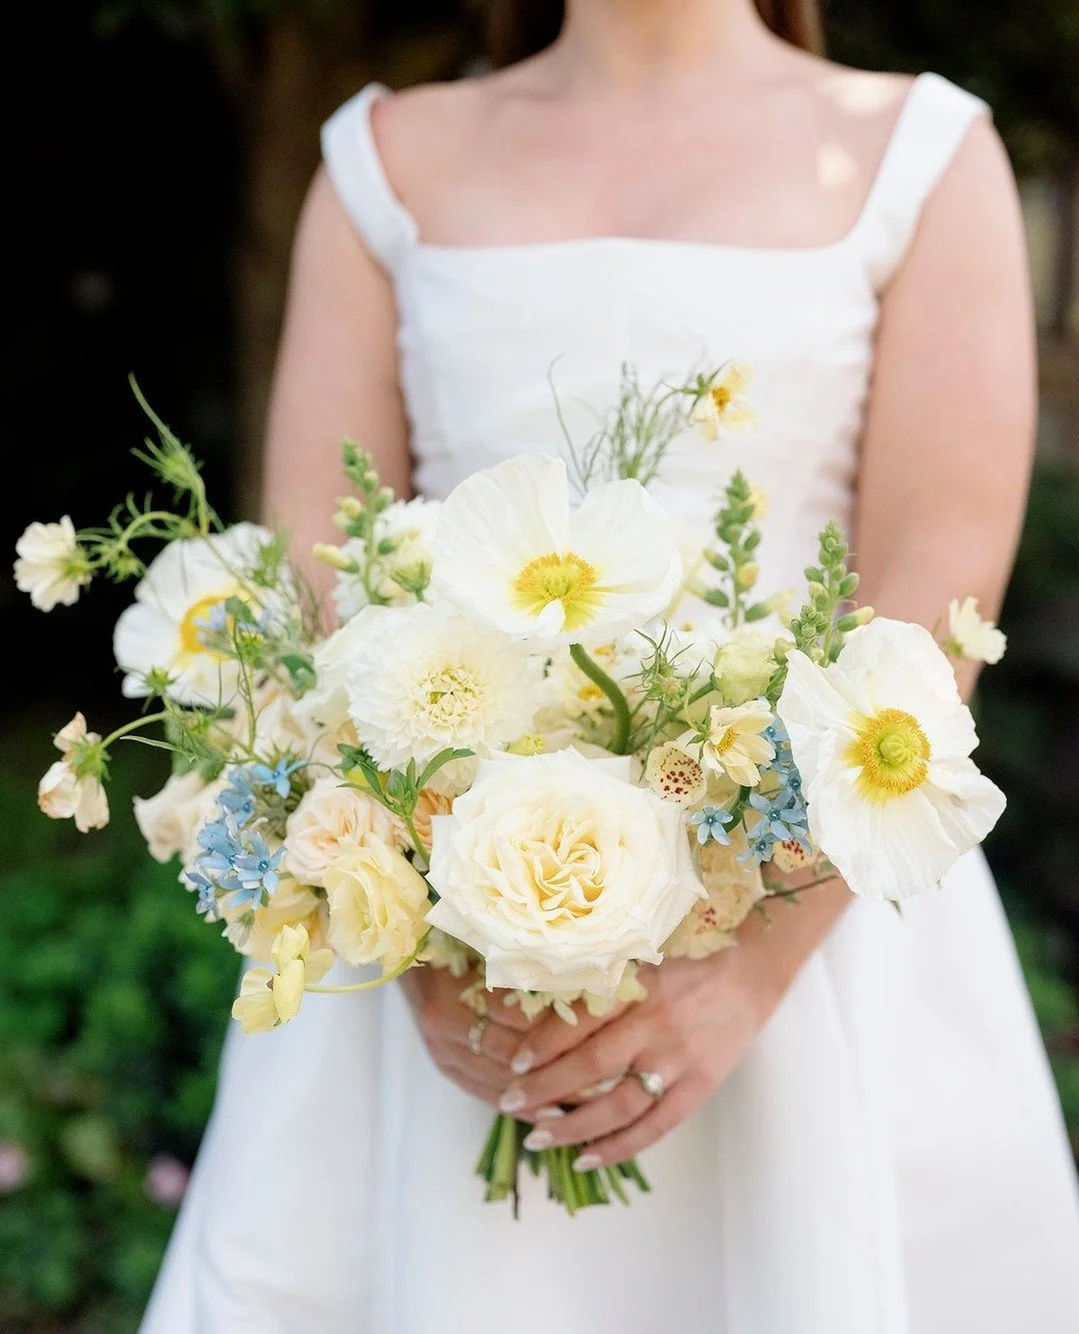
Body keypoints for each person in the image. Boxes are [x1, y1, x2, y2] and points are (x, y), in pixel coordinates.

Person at [141, 1, 1079, 1329]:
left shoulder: (921, 152)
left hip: (814, 919)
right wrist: (423, 935)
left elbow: (938, 586)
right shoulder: (381, 162)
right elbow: (316, 577)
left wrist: (744, 971)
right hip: (446, 966)